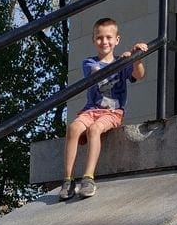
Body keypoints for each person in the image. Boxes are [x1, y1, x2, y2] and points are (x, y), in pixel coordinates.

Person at [59, 17, 148, 200]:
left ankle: (88, 177)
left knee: (94, 130)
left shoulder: (123, 63)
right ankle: (68, 179)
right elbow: (100, 73)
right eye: (99, 38)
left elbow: (139, 76)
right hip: (91, 110)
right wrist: (122, 61)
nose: (104, 42)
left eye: (109, 37)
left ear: (117, 40)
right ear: (93, 40)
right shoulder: (89, 63)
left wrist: (136, 58)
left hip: (113, 112)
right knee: (73, 128)